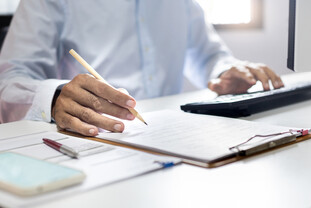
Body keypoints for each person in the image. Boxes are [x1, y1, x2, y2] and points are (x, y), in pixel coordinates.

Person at [0, 0, 283, 136]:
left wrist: (226, 72)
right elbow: (7, 82)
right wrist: (55, 97)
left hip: (169, 139)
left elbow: (209, 58)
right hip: (91, 142)